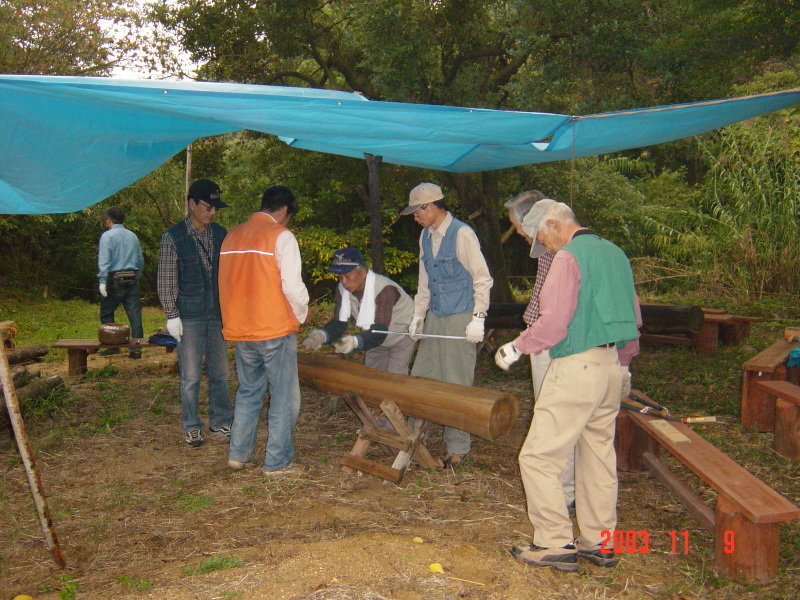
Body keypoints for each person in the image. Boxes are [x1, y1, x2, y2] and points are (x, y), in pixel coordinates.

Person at [494, 201, 639, 572]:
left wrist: (516, 347)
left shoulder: (568, 258)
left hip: (577, 366)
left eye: (542, 237)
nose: (545, 246)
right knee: (598, 457)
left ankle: (554, 541)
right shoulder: (615, 253)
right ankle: (600, 542)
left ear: (555, 224)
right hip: (610, 368)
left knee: (538, 457)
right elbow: (634, 317)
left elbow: (554, 322)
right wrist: (623, 365)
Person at [218, 185, 310, 474]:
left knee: (248, 392)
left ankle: (238, 454)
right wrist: (302, 314)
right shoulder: (280, 236)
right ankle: (277, 461)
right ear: (284, 209)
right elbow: (293, 287)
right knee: (284, 397)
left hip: (241, 328)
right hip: (273, 327)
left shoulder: (232, 234)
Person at [400, 182, 493, 467]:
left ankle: (458, 446)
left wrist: (478, 318)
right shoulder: (425, 237)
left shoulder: (462, 233)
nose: (415, 218)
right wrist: (418, 315)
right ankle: (415, 437)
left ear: (430, 207)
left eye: (417, 212)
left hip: (460, 315)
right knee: (422, 376)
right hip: (436, 315)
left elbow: (482, 278)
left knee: (456, 381)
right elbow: (424, 281)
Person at [504, 192, 575, 515]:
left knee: (554, 415)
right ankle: (564, 489)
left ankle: (563, 493)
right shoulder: (548, 249)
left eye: (517, 226)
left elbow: (553, 314)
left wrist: (522, 343)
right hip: (544, 341)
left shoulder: (558, 250)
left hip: (552, 344)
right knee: (553, 414)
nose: (517, 233)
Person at [157, 179, 234, 448]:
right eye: (207, 206)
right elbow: (166, 279)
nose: (212, 212)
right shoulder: (173, 237)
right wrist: (171, 314)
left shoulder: (221, 235)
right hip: (188, 316)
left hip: (217, 314)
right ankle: (191, 425)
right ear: (192, 204)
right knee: (190, 376)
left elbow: (229, 276)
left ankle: (222, 419)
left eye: (215, 208)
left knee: (220, 372)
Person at [301, 246, 416, 375]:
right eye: (339, 277)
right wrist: (322, 335)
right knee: (372, 377)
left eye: (347, 276)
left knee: (395, 379)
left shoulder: (385, 289)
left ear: (362, 272)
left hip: (401, 335)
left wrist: (355, 341)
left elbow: (380, 331)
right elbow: (339, 323)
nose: (343, 282)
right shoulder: (342, 289)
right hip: (373, 337)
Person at [97, 206, 144, 359]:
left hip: (114, 278)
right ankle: (136, 348)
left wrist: (102, 281)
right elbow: (140, 260)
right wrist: (137, 275)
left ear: (109, 220)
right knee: (134, 314)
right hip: (132, 277)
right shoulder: (133, 236)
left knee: (106, 312)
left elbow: (104, 261)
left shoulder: (107, 236)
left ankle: (112, 346)